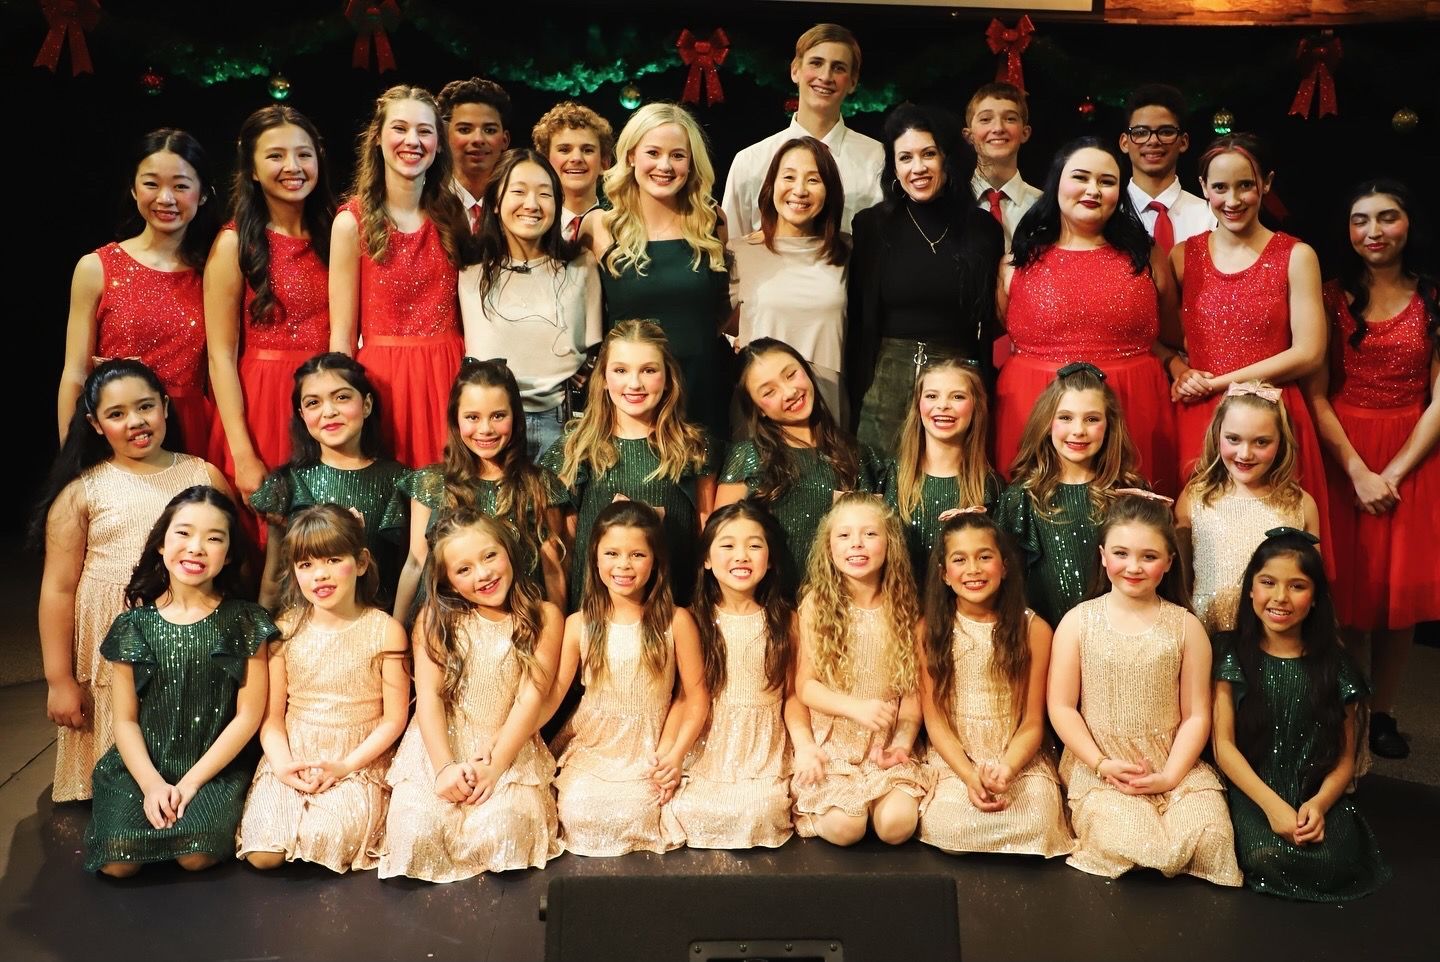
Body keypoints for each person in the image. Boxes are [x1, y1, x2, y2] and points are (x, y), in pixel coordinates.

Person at [32, 360, 225, 802]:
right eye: (116, 414)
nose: (135, 422)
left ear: (165, 407)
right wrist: (59, 679)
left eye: (145, 407)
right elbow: (57, 590)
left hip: (189, 632)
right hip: (109, 638)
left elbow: (231, 565)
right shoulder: (82, 492)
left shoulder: (202, 475)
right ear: (95, 425)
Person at [1047, 494, 1241, 885]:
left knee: (1211, 839)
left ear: (1169, 562)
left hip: (1173, 763)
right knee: (1135, 843)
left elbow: (1196, 714)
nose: (1133, 567)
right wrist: (1101, 763)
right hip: (1101, 767)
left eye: (1149, 557)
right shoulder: (1078, 623)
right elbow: (1062, 706)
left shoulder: (1186, 627)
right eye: (1122, 553)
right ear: (1103, 556)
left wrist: (1170, 776)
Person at [1310, 179, 1440, 759]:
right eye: (1361, 220)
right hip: (1344, 450)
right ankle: (1346, 704)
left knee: (1397, 594)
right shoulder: (1331, 296)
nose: (1374, 232)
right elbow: (1315, 394)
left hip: (1414, 449)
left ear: (1408, 224)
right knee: (1348, 591)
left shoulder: (1434, 297)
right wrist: (1360, 471)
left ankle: (1383, 712)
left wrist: (1393, 471)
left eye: (1387, 218)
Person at [83, 486, 275, 876]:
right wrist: (153, 784)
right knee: (118, 862)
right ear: (161, 544)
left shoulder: (245, 620)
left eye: (214, 538)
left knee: (196, 854)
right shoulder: (133, 625)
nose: (196, 547)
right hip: (142, 766)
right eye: (184, 533)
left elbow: (247, 717)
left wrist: (190, 782)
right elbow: (125, 720)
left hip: (213, 767)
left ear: (230, 554)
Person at [380, 510, 564, 881]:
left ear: (508, 552)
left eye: (489, 556)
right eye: (463, 569)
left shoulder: (544, 617)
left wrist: (495, 766)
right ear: (447, 579)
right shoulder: (435, 618)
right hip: (437, 747)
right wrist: (445, 767)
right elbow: (429, 698)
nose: (483, 574)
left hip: (507, 745)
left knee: (506, 836)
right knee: (417, 836)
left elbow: (531, 698)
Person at [995, 136, 1181, 494]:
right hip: (1033, 406)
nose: (1093, 190)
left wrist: (1175, 363)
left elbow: (1171, 332)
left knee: (1133, 531)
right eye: (1081, 177)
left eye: (1106, 181)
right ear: (1057, 183)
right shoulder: (1015, 261)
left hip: (1133, 407)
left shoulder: (1146, 257)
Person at [1212, 529, 1391, 900]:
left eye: (1297, 586)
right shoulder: (1232, 654)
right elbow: (1224, 747)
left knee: (1336, 862)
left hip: (1312, 788)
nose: (1280, 598)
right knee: (1265, 856)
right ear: (1250, 589)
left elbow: (1345, 759)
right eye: (1268, 582)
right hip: (1254, 789)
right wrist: (1274, 807)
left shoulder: (1338, 667)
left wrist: (1320, 804)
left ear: (1315, 599)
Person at [236, 505, 408, 872]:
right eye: (306, 565)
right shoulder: (284, 630)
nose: (320, 575)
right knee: (264, 852)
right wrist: (282, 765)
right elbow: (272, 718)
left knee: (323, 841)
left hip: (356, 756)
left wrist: (345, 765)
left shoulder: (384, 630)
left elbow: (394, 720)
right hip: (295, 752)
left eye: (332, 559)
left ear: (360, 563)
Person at [1171, 134, 1329, 521]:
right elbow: (1157, 339)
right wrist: (1180, 370)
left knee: (1276, 544)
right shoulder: (1182, 255)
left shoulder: (1296, 255)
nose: (1233, 199)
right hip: (1202, 416)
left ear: (1267, 183)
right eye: (1220, 187)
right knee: (1201, 541)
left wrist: (1221, 383)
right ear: (1204, 188)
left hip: (1271, 416)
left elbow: (1309, 352)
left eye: (1245, 185)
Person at [545, 500, 708, 856]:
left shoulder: (676, 622)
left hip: (650, 746)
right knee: (582, 812)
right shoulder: (579, 625)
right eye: (612, 553)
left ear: (655, 560)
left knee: (640, 810)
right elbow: (552, 696)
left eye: (637, 555)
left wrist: (674, 754)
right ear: (595, 558)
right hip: (594, 747)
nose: (623, 565)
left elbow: (694, 696)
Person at [846, 103, 1003, 452]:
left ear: (947, 158)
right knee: (878, 493)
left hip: (957, 385)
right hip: (885, 384)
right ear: (894, 166)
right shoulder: (871, 226)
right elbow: (858, 320)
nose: (917, 167)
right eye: (905, 158)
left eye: (928, 154)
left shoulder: (983, 230)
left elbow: (991, 323)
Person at [916, 512, 1072, 858]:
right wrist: (970, 774)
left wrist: (1008, 769)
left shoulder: (1034, 630)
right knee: (949, 826)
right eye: (960, 560)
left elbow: (1033, 721)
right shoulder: (928, 630)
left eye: (984, 556)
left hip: (1016, 756)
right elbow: (935, 718)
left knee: (1040, 821)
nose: (973, 569)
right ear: (944, 574)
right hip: (956, 758)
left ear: (1004, 566)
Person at [329, 85, 467, 468]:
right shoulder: (350, 223)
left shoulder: (453, 218)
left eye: (425, 131)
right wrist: (343, 402)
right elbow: (341, 335)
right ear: (377, 138)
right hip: (383, 383)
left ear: (439, 144)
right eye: (400, 128)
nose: (412, 141)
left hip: (449, 376)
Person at [58, 129, 218, 456]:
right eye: (151, 184)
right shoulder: (96, 267)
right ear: (133, 188)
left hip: (191, 431)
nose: (165, 198)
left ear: (202, 194)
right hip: (117, 428)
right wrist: (70, 454)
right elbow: (75, 371)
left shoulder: (215, 272)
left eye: (181, 186)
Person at [205, 105, 335, 505]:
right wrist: (243, 455)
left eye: (304, 154)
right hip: (263, 405)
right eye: (275, 155)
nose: (293, 166)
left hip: (330, 397)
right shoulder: (234, 244)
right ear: (252, 169)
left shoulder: (340, 231)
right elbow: (220, 357)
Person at [541, 320, 718, 609]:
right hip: (596, 612)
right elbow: (563, 548)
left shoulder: (694, 448)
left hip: (672, 609)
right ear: (603, 377)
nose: (634, 383)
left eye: (648, 370)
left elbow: (705, 534)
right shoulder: (577, 448)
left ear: (668, 376)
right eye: (621, 370)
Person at [581, 102, 732, 439]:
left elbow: (723, 309)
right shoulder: (599, 226)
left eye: (678, 155)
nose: (665, 165)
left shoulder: (712, 221)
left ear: (691, 163)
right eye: (654, 152)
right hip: (629, 398)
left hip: (702, 391)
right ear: (632, 155)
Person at [792, 494, 930, 846]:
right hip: (834, 745)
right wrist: (856, 707)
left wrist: (900, 745)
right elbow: (806, 687)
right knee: (846, 829)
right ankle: (843, 805)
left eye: (870, 534)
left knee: (896, 827)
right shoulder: (816, 604)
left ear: (890, 544)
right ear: (829, 548)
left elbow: (912, 698)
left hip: (883, 745)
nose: (856, 543)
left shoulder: (907, 609)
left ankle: (876, 797)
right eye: (844, 535)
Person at [394, 360, 571, 617]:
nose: (485, 429)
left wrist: (558, 636)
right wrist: (399, 634)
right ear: (456, 419)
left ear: (515, 417)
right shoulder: (430, 482)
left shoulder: (539, 484)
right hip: (446, 628)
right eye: (472, 417)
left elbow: (553, 568)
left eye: (498, 416)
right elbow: (415, 562)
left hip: (519, 627)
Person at [666, 503, 795, 849]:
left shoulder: (786, 620)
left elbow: (794, 695)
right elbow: (685, 696)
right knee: (686, 809)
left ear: (770, 559)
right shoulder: (693, 620)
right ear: (706, 559)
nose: (742, 556)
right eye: (727, 545)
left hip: (762, 749)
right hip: (710, 743)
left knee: (759, 811)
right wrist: (671, 754)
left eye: (754, 546)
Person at [459, 149, 603, 459]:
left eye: (544, 194)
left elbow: (594, 353)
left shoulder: (581, 266)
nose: (532, 205)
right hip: (491, 430)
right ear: (496, 203)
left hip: (565, 427)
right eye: (519, 192)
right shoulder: (467, 269)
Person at [718, 339, 881, 597]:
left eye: (791, 374)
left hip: (840, 610)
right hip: (774, 611)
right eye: (768, 392)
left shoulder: (856, 454)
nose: (789, 392)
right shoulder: (746, 457)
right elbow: (722, 546)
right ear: (758, 410)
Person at [251, 353, 408, 610]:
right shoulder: (288, 482)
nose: (329, 411)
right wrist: (264, 643)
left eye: (342, 397)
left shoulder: (397, 479)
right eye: (313, 403)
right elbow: (273, 578)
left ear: (367, 404)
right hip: (303, 626)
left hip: (376, 626)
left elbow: (407, 569)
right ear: (301, 415)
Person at [995, 363, 1146, 626]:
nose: (1078, 430)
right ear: (1047, 422)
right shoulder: (1022, 498)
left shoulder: (1129, 494)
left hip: (1118, 638)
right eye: (1066, 417)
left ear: (1109, 425)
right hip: (1045, 644)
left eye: (1091, 419)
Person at [1176, 382, 1318, 633]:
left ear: (1281, 441)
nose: (1245, 453)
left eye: (1261, 442)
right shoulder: (1194, 497)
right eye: (1233, 439)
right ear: (1217, 434)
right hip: (1206, 636)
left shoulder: (1300, 505)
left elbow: (1312, 582)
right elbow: (1181, 582)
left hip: (1273, 639)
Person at [729, 136, 851, 419]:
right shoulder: (741, 252)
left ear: (829, 191)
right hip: (762, 417)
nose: (799, 190)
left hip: (828, 410)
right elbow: (711, 323)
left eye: (813, 180)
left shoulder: (848, 252)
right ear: (772, 184)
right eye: (789, 177)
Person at [721, 23, 883, 236]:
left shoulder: (878, 160)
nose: (825, 76)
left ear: (853, 81)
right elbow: (731, 248)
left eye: (839, 67)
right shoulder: (750, 162)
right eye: (816, 63)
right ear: (795, 70)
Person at [884, 358, 1002, 587]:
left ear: (976, 406)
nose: (943, 405)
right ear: (918, 406)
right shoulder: (890, 476)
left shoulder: (990, 487)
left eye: (957, 396)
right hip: (901, 611)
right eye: (931, 396)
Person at [1118, 83, 1215, 254]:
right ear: (1125, 143)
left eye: (1165, 131)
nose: (1153, 141)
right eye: (1140, 132)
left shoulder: (1210, 215)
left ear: (1183, 142)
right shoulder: (1109, 215)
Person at [963, 81, 1042, 248]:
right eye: (985, 119)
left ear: (1025, 133)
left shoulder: (1044, 207)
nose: (998, 128)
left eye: (1010, 119)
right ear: (968, 136)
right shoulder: (953, 202)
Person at [436, 76, 512, 230]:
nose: (478, 139)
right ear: (443, 136)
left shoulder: (519, 208)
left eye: (489, 130)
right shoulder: (426, 204)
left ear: (505, 140)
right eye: (465, 130)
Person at [532, 101, 615, 240]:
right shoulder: (530, 229)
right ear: (545, 162)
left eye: (587, 150)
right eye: (564, 150)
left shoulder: (622, 228)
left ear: (604, 164)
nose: (576, 158)